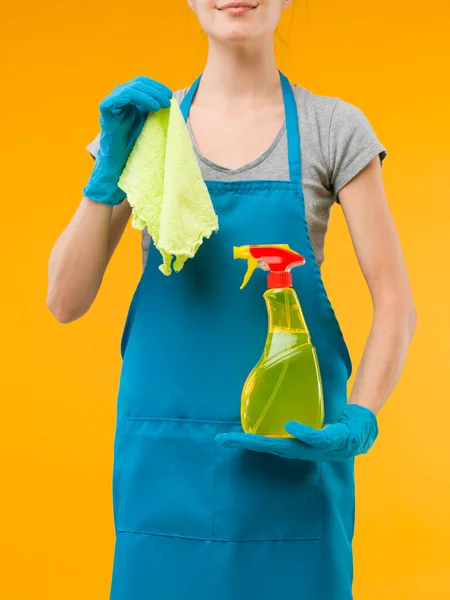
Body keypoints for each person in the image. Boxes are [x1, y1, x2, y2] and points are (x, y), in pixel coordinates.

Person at [47, 1, 417, 598]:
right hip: (165, 475)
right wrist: (105, 176)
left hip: (290, 462)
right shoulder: (147, 132)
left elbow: (396, 303)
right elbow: (64, 299)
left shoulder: (333, 128)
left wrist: (362, 414)